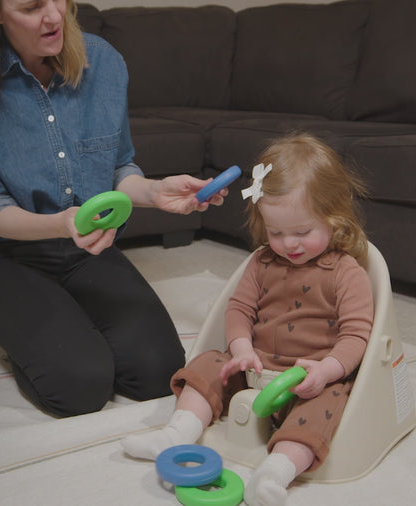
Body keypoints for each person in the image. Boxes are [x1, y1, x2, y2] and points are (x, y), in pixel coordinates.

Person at [0, 0, 227, 418]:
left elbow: (119, 165)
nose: (54, 16)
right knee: (78, 387)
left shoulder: (103, 62)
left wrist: (155, 191)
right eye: (32, 6)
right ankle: (26, 335)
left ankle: (66, 323)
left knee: (159, 374)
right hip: (4, 255)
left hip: (83, 250)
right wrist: (62, 223)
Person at [122, 133, 374, 506]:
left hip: (309, 380)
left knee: (329, 403)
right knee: (208, 362)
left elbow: (356, 337)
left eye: (302, 232)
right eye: (276, 232)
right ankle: (177, 433)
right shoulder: (261, 262)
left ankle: (275, 473)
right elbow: (239, 310)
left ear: (334, 219)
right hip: (253, 367)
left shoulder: (347, 272)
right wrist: (241, 350)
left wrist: (326, 372)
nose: (289, 244)